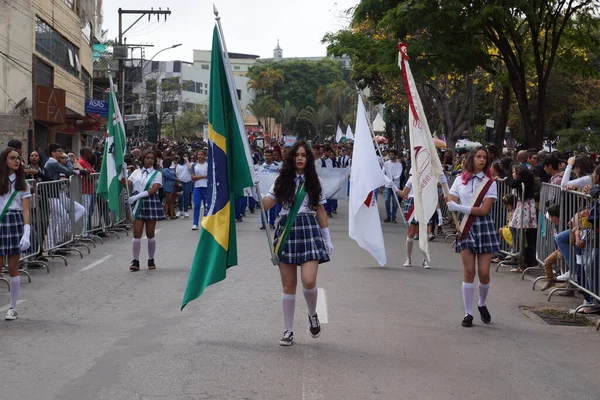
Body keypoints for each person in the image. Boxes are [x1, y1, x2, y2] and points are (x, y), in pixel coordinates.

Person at [262, 141, 333, 346]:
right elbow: (268, 204)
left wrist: (326, 237)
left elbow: (320, 210)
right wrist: (255, 190)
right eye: (297, 155)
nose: (300, 158)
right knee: (288, 285)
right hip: (286, 231)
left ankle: (312, 314)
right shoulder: (281, 180)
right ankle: (288, 330)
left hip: (309, 229)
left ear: (308, 159)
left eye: (304, 155)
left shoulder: (314, 180)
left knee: (309, 281)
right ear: (291, 158)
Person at [447, 147, 500, 327]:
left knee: (484, 273)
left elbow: (484, 210)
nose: (482, 159)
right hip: (465, 227)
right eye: (479, 156)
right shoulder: (459, 181)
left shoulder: (490, 183)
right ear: (472, 158)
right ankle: (468, 313)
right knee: (469, 272)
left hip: (483, 226)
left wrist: (459, 208)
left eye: (485, 157)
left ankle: (482, 303)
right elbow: (451, 200)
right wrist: (443, 188)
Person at [0, 147, 32, 320]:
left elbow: (25, 210)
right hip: (0, 222)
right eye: (12, 158)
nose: (16, 161)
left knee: (13, 267)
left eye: (18, 158)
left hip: (14, 223)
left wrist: (26, 232)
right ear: (5, 160)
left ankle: (12, 307)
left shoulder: (23, 184)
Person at [127, 150, 165, 271]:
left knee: (150, 233)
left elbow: (154, 189)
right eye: (148, 158)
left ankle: (151, 259)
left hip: (149, 201)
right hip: (138, 203)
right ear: (143, 159)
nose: (150, 160)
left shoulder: (157, 173)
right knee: (137, 232)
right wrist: (121, 173)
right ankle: (135, 260)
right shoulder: (136, 172)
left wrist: (137, 196)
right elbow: (127, 184)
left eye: (152, 158)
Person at [383, 149, 403, 223]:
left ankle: (393, 217)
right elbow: (383, 171)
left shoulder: (399, 164)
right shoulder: (386, 163)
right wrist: (385, 179)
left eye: (392, 155)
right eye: (390, 154)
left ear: (395, 155)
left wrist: (394, 179)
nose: (391, 156)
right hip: (388, 185)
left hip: (395, 185)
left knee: (395, 202)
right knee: (387, 200)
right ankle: (388, 215)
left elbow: (399, 174)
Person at [191, 149, 208, 230]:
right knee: (197, 205)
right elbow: (193, 177)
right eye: (198, 155)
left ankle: (206, 223)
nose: (200, 156)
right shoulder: (194, 165)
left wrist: (200, 177)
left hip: (206, 187)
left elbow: (210, 176)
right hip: (197, 187)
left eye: (201, 154)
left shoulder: (208, 164)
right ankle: (195, 223)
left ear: (204, 155)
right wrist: (204, 176)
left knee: (206, 205)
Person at [175, 153, 193, 218]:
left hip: (188, 182)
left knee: (186, 196)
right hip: (181, 182)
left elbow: (190, 169)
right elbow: (176, 174)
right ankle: (180, 210)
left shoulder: (190, 164)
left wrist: (187, 161)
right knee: (180, 196)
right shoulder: (179, 165)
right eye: (184, 156)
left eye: (187, 156)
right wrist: (178, 182)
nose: (185, 157)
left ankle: (185, 211)